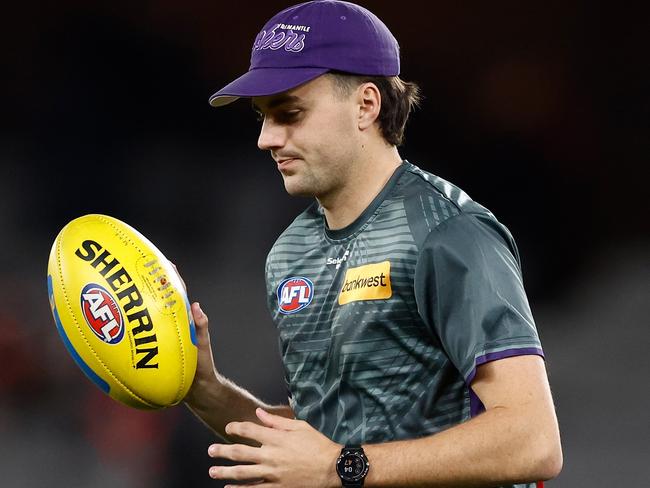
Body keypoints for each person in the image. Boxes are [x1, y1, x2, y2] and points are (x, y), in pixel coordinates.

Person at [182, 1, 563, 487]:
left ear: (366, 105)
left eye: (289, 113)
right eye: (261, 116)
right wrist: (205, 391)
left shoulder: (448, 233)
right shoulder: (290, 252)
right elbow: (324, 442)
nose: (266, 138)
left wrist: (339, 467)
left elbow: (533, 440)